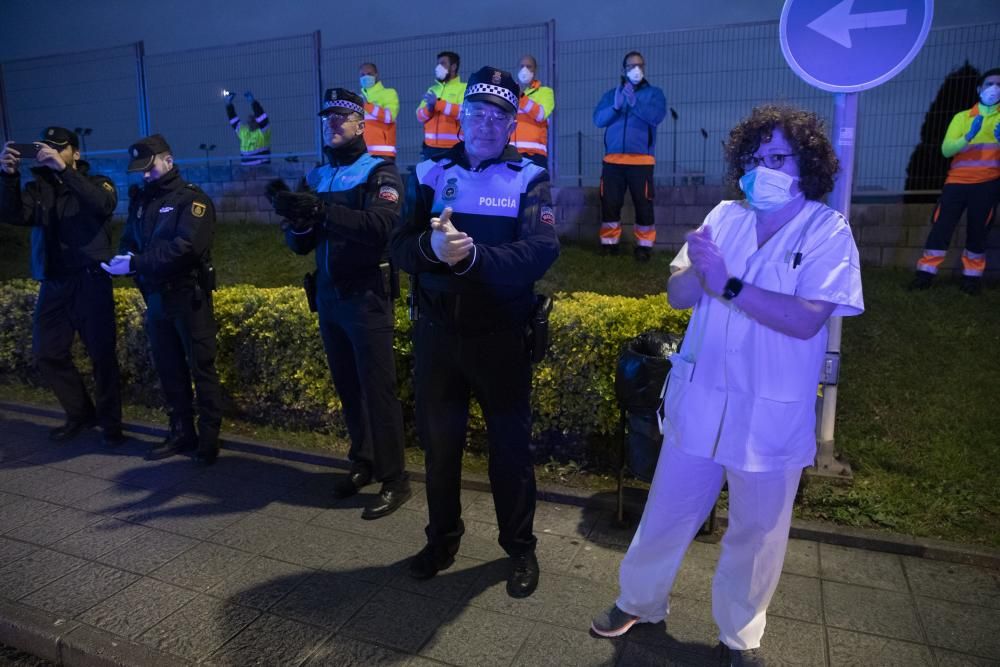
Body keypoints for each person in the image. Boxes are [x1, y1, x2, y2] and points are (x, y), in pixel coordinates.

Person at [590, 106, 863, 667]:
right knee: (666, 510)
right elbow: (680, 295)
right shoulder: (724, 215)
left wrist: (729, 285)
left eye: (779, 157)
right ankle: (638, 600)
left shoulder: (827, 230)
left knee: (757, 533)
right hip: (703, 398)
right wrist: (699, 275)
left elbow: (808, 317)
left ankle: (740, 635)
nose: (765, 168)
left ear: (806, 163)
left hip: (770, 415)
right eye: (756, 159)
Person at [391, 66, 560, 598]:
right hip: (438, 337)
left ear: (513, 123)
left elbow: (540, 250)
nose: (486, 123)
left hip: (501, 338)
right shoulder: (428, 174)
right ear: (461, 117)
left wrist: (472, 259)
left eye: (499, 115)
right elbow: (398, 245)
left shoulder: (530, 179)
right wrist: (429, 251)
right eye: (477, 112)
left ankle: (520, 548)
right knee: (441, 449)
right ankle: (441, 541)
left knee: (510, 451)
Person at [273, 88, 411, 520]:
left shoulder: (379, 172)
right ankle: (364, 463)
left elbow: (380, 227)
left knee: (378, 391)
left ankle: (395, 479)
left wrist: (322, 211)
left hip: (367, 297)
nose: (332, 124)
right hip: (330, 298)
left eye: (341, 117)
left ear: (359, 124)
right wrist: (296, 221)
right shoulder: (317, 176)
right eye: (327, 117)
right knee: (349, 389)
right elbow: (298, 246)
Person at [102, 134, 223, 465]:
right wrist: (122, 259)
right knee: (169, 368)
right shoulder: (143, 201)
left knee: (202, 367)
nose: (144, 175)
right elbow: (130, 240)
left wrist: (136, 263)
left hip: (188, 296)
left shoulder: (191, 201)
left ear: (168, 161)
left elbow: (186, 247)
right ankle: (181, 431)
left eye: (149, 168)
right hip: (157, 297)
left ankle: (209, 438)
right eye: (140, 170)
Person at [0, 128, 124, 446]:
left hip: (90, 281)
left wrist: (63, 170)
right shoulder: (37, 188)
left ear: (76, 153)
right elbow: (13, 214)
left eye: (60, 148)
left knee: (102, 355)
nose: (51, 152)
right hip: (54, 282)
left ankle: (111, 423)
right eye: (47, 148)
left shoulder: (96, 183)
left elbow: (102, 205)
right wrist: (9, 175)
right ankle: (80, 413)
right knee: (47, 351)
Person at [910, 67, 1000, 295]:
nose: (994, 89)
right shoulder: (962, 117)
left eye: (999, 85)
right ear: (980, 88)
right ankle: (925, 275)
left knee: (978, 231)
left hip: (987, 184)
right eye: (989, 84)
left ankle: (971, 280)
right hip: (957, 183)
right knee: (941, 228)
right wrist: (968, 136)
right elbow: (947, 150)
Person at [593, 51, 666, 262]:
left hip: (641, 162)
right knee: (610, 203)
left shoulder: (654, 94)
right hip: (612, 161)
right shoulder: (610, 94)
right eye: (631, 66)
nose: (636, 69)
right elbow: (598, 120)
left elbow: (656, 117)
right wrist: (616, 106)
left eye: (640, 65)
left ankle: (644, 247)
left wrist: (635, 103)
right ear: (623, 70)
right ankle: (609, 245)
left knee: (643, 205)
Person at [416, 51, 467, 160]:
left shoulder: (463, 88)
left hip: (453, 148)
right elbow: (419, 116)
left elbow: (463, 113)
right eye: (438, 64)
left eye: (443, 63)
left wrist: (438, 104)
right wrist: (429, 108)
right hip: (429, 148)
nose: (438, 67)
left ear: (453, 67)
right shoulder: (432, 89)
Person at [510, 54, 555, 170]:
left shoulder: (545, 92)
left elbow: (541, 115)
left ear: (535, 70)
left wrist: (522, 97)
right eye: (522, 66)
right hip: (510, 154)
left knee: (535, 188)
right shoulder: (510, 93)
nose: (524, 70)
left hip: (534, 155)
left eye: (529, 66)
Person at [359, 62, 400, 161]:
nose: (366, 77)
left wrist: (367, 106)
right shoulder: (359, 98)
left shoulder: (389, 93)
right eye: (362, 75)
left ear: (376, 75)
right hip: (362, 153)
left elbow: (390, 117)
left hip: (383, 153)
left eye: (369, 74)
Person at [225, 90, 272, 166]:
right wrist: (228, 104)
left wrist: (253, 102)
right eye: (248, 122)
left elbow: (262, 118)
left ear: (257, 122)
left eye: (252, 121)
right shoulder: (244, 132)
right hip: (246, 172)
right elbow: (234, 120)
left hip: (262, 171)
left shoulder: (263, 132)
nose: (249, 124)